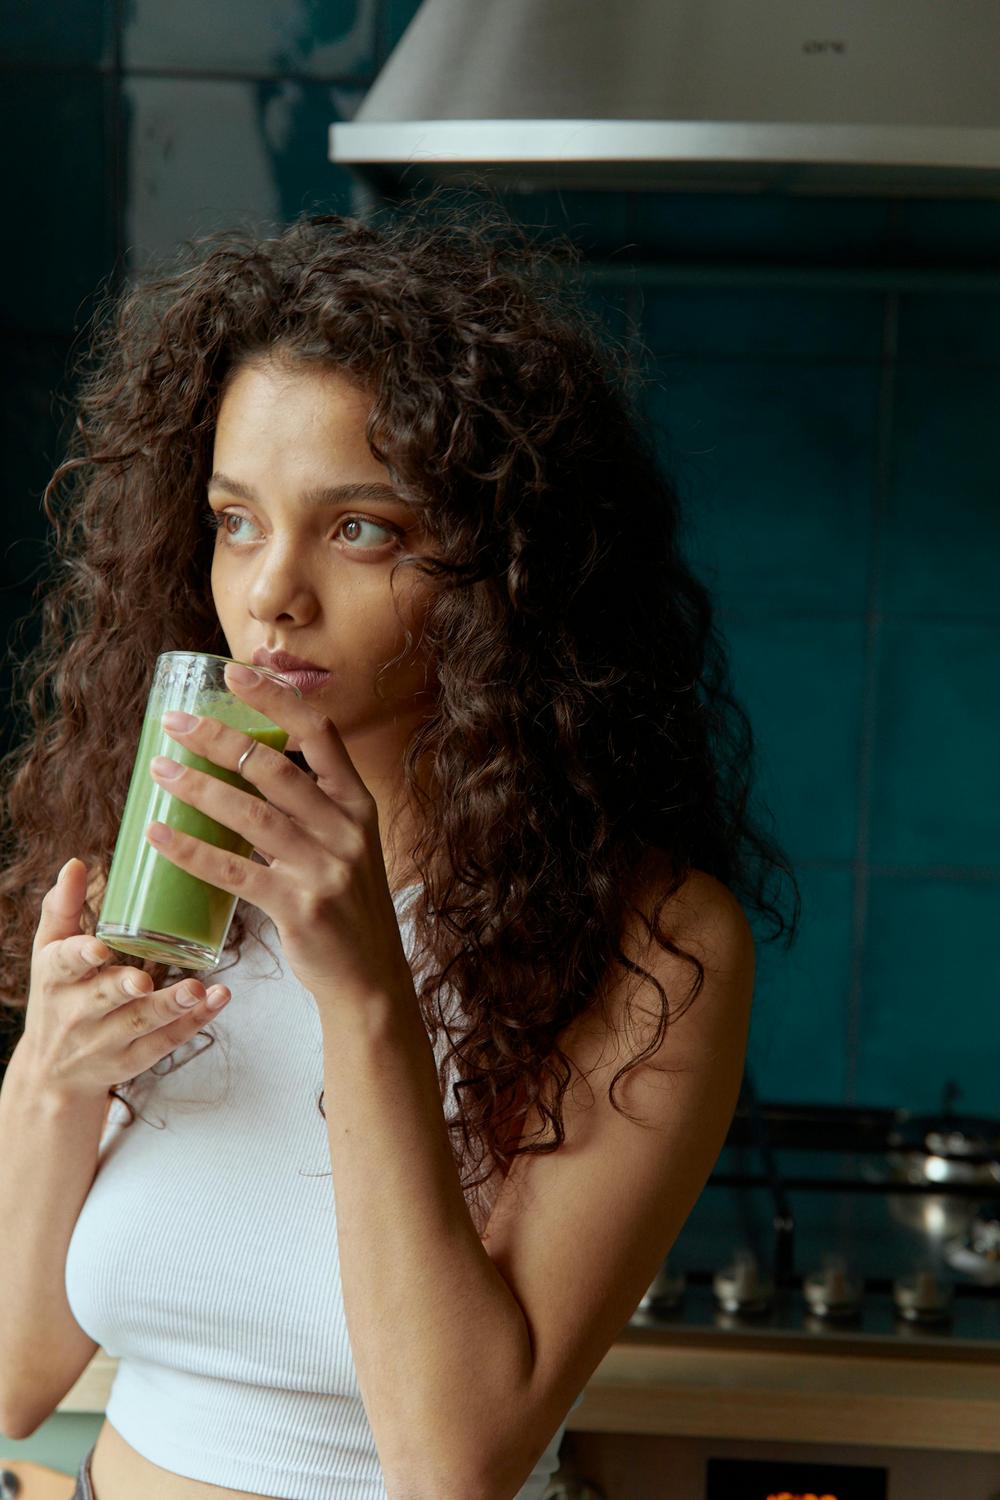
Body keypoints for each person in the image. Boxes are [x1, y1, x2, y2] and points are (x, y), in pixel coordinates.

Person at [0, 199, 799, 1500]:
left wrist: (368, 994)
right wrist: (49, 1079)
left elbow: (452, 1463)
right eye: (238, 519)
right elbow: (16, 1376)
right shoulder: (167, 864)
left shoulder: (653, 946)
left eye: (359, 526)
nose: (272, 592)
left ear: (506, 569)